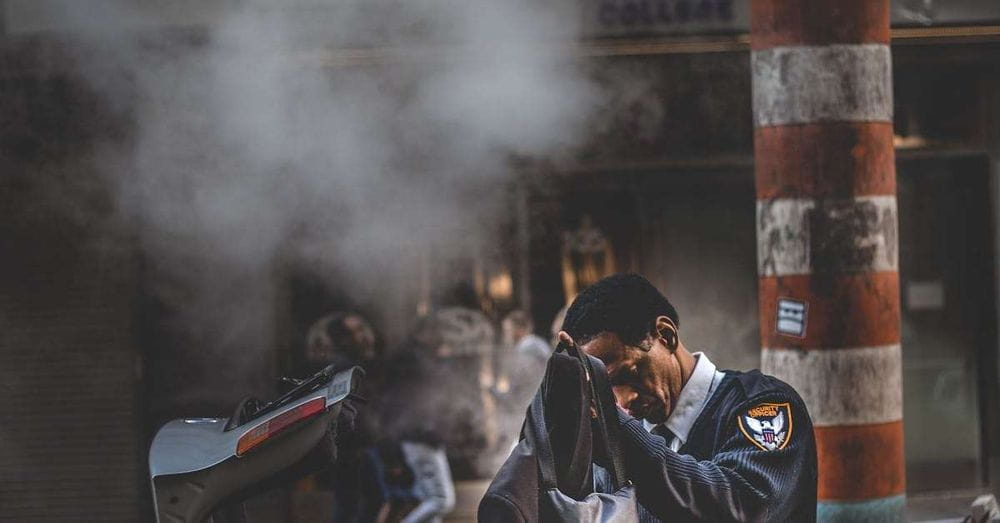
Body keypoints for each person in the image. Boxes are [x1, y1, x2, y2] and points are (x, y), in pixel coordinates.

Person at [558, 273, 817, 522]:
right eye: (605, 388)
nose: (623, 399)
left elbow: (741, 509)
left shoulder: (763, 406)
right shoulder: (625, 437)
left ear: (666, 335)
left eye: (629, 374)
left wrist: (618, 434)